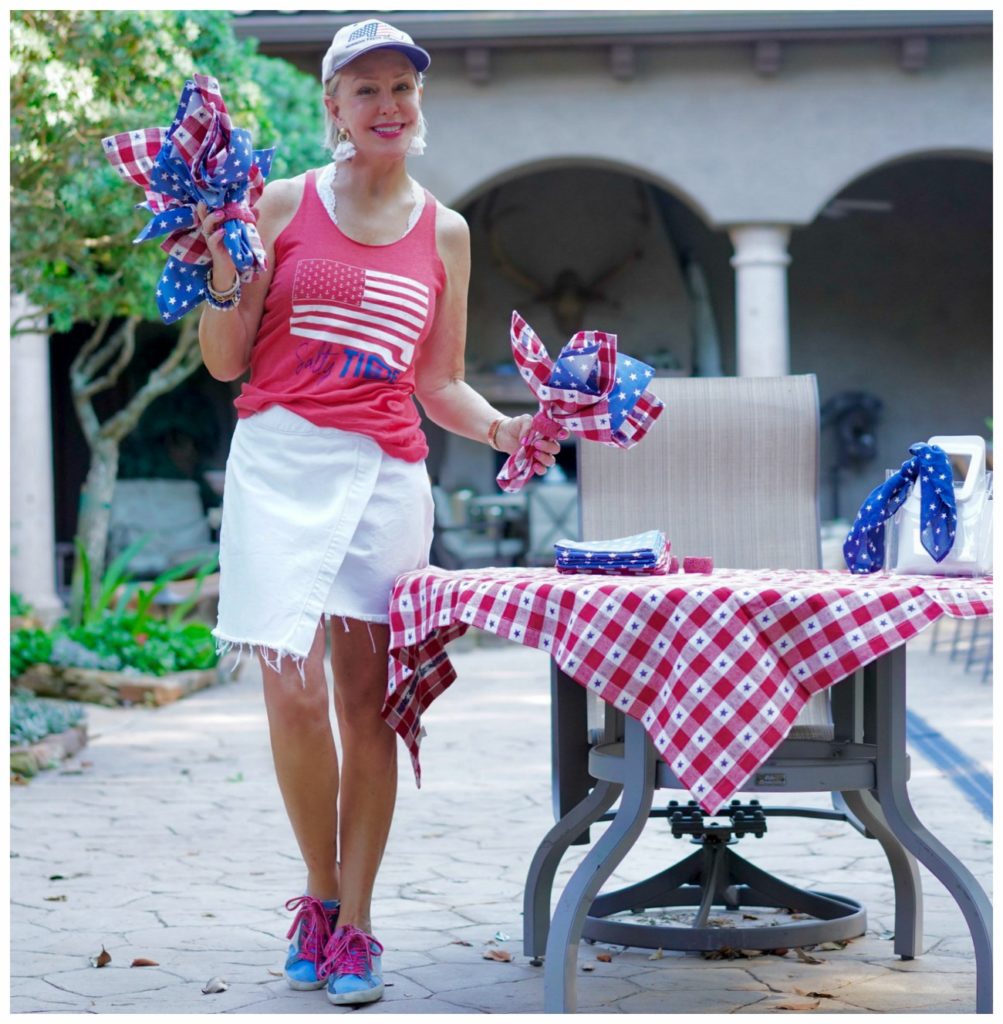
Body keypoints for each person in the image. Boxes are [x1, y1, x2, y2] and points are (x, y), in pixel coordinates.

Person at [195, 18, 563, 1008]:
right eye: (367, 90)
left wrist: (505, 431)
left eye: (403, 87)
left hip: (383, 480)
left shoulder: (446, 231)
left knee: (366, 706)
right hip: (276, 465)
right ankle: (316, 893)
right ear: (333, 108)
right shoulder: (276, 207)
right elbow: (225, 360)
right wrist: (225, 259)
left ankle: (355, 925)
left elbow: (437, 382)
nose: (389, 105)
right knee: (293, 690)